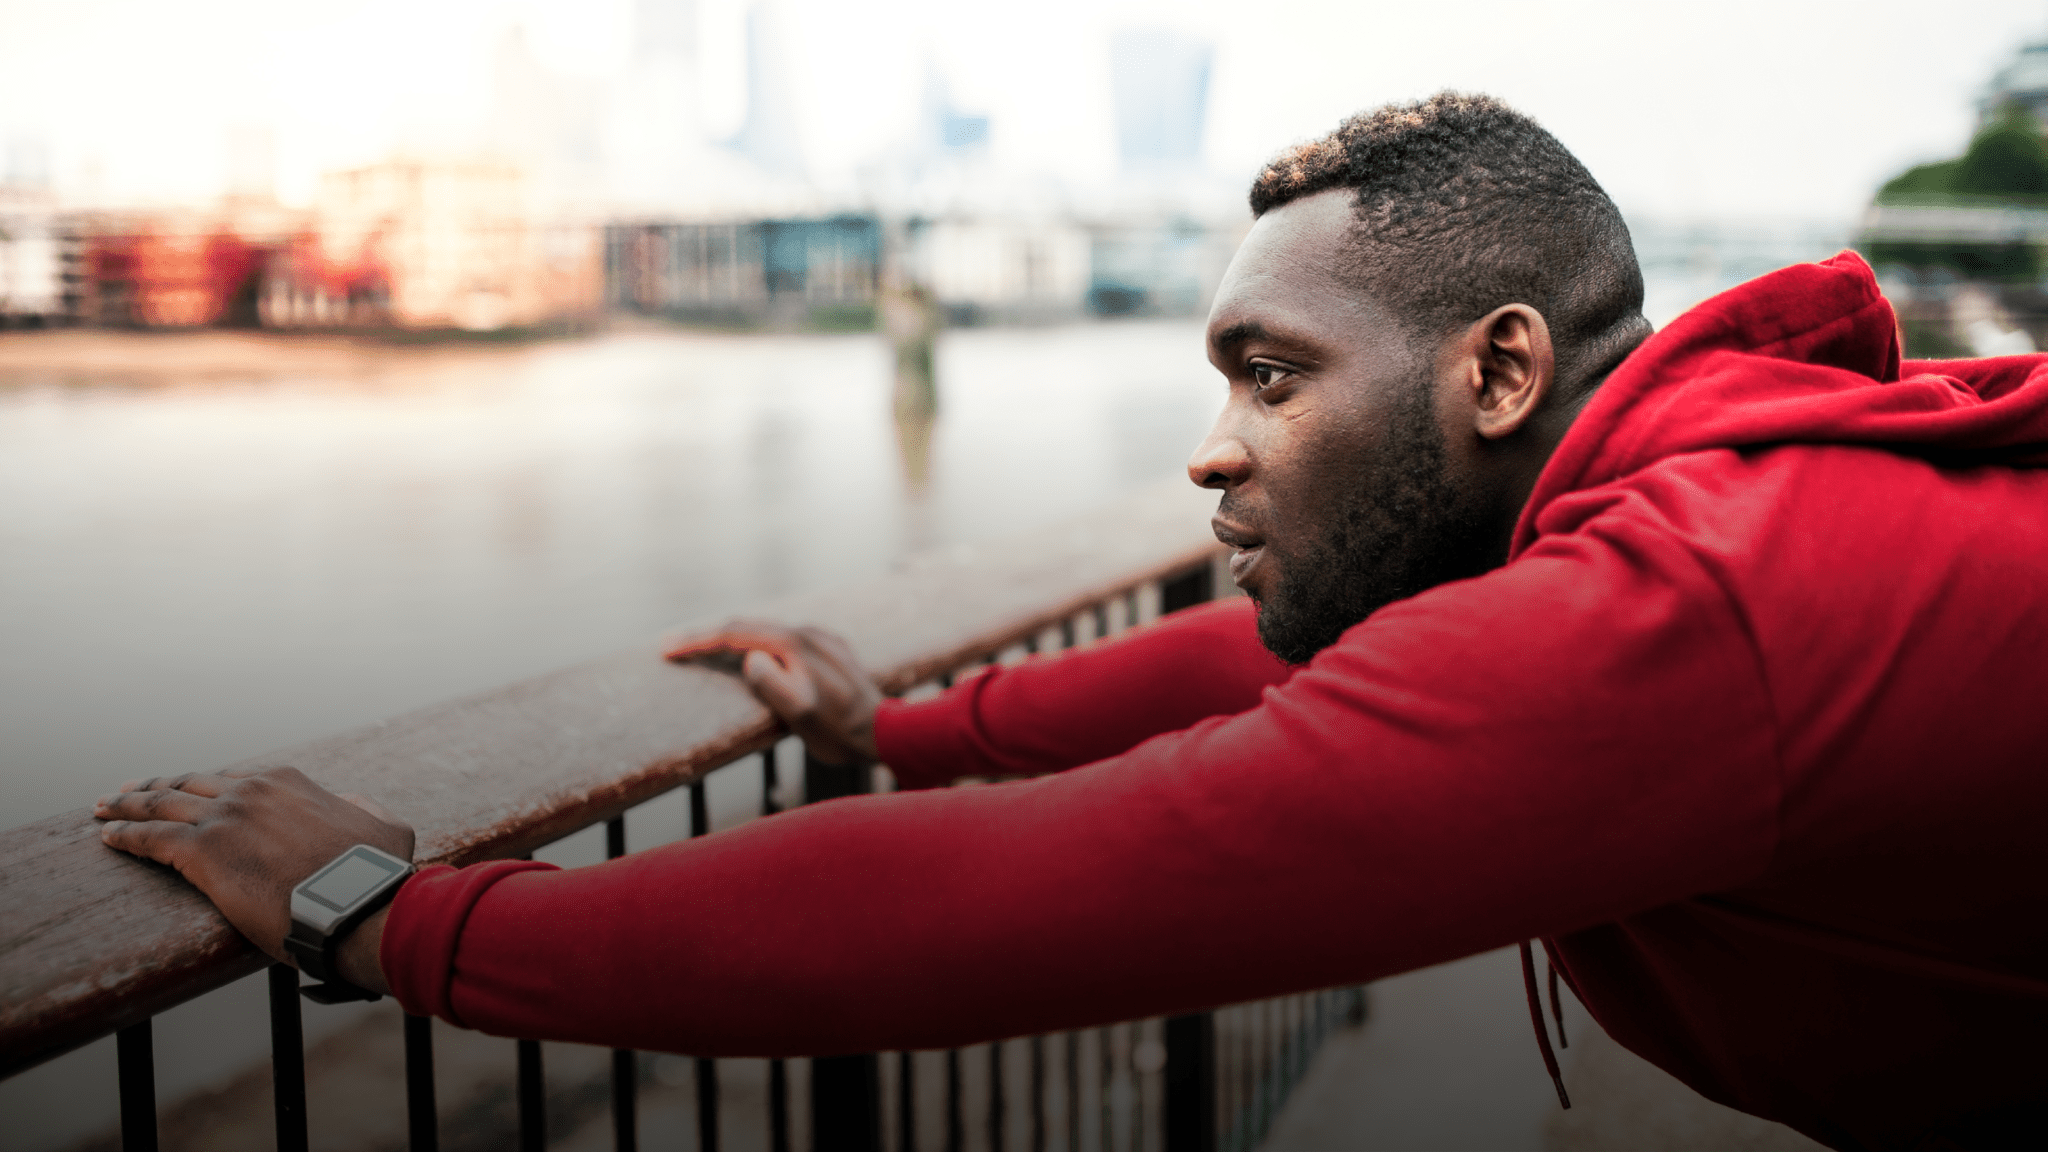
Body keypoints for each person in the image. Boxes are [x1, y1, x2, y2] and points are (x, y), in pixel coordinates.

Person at [91, 93, 2048, 1151]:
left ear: (1500, 368)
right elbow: (1272, 685)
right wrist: (908, 733)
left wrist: (393, 918)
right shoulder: (1681, 511)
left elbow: (1027, 893)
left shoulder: (1691, 600)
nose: (1213, 456)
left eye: (1269, 376)